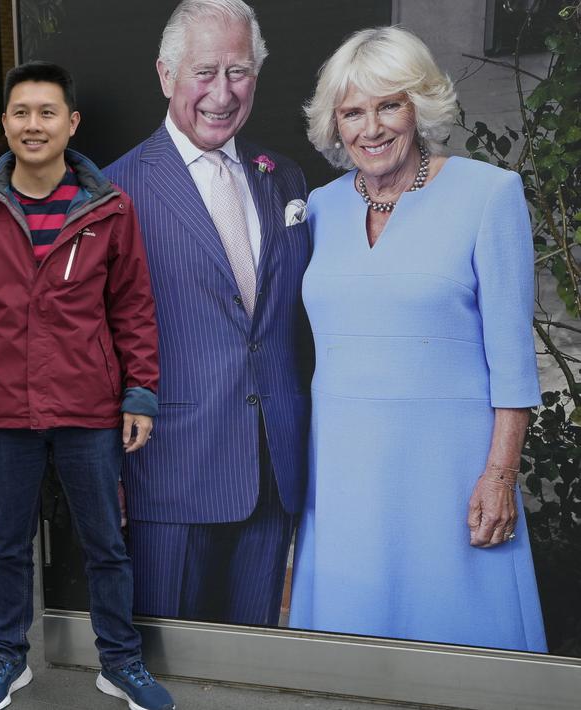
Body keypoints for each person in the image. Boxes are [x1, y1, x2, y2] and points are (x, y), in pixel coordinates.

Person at [289, 26, 546, 652]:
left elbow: (513, 359)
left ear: (419, 107)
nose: (370, 128)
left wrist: (499, 474)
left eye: (388, 105)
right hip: (341, 474)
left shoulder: (489, 195)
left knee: (461, 655)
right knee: (345, 667)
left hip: (451, 473)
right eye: (352, 112)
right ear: (334, 123)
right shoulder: (318, 207)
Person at [0, 61, 173, 710]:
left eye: (45, 113)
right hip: (2, 407)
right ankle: (6, 659)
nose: (32, 125)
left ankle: (119, 662)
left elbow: (132, 309)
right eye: (19, 113)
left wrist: (139, 394)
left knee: (104, 545)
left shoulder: (108, 209)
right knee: (7, 545)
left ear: (70, 123)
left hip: (88, 406)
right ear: (3, 123)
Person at [103, 0, 311, 626]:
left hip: (274, 471)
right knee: (171, 667)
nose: (223, 93)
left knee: (254, 672)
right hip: (168, 473)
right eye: (205, 71)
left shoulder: (286, 179)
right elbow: (91, 346)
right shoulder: (115, 194)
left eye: (239, 71)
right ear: (166, 75)